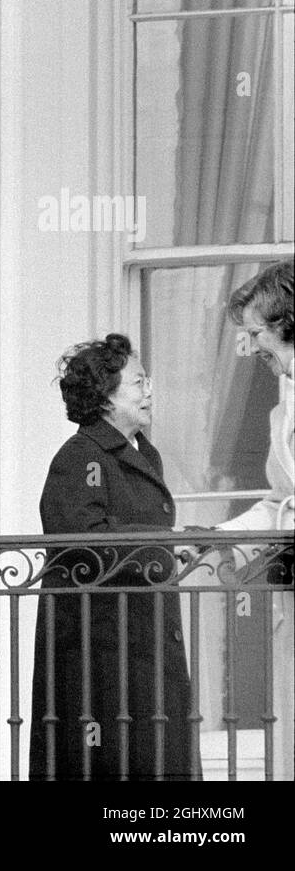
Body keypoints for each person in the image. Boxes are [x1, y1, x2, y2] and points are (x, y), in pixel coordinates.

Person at [29, 334, 197, 780]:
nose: (149, 391)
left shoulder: (144, 453)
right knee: (116, 762)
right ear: (105, 397)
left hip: (142, 642)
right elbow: (81, 537)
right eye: (138, 382)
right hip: (102, 654)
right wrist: (165, 546)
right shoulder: (81, 456)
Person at [216, 259, 293, 779]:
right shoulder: (282, 401)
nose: (250, 347)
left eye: (254, 333)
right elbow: (281, 500)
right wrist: (216, 539)